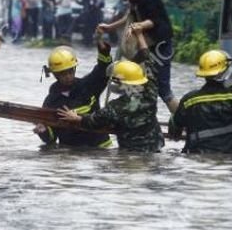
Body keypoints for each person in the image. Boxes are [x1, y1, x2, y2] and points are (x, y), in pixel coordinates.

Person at [58, 25, 164, 153]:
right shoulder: (151, 92)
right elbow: (147, 59)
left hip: (130, 154)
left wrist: (76, 118)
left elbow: (93, 121)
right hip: (156, 149)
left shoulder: (115, 108)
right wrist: (140, 35)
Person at [98, 0, 178, 113]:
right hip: (147, 45)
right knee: (133, 78)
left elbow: (155, 20)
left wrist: (140, 26)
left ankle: (181, 121)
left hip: (161, 46)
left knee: (163, 88)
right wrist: (110, 27)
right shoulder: (134, 0)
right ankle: (137, 114)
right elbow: (128, 18)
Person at [33, 39, 113, 148]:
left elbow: (103, 71)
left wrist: (104, 54)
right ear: (55, 75)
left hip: (99, 147)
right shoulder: (51, 101)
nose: (68, 76)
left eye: (70, 71)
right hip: (71, 151)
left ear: (75, 69)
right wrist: (43, 131)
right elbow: (51, 138)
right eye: (63, 73)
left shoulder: (88, 85)